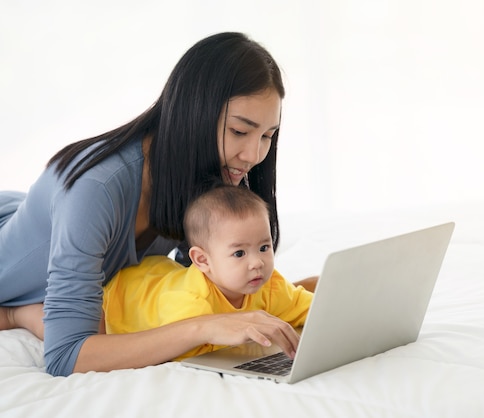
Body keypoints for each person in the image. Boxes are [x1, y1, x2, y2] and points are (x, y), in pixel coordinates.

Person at [0, 32, 316, 377]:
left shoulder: (199, 177)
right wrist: (207, 327)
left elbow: (199, 288)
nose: (254, 155)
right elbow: (67, 358)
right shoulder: (96, 191)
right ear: (192, 116)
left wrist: (314, 295)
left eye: (267, 136)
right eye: (240, 132)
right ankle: (21, 313)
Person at [103, 183, 313, 360]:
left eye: (264, 248)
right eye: (239, 253)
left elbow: (307, 306)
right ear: (203, 260)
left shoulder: (269, 285)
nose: (257, 262)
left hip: (160, 270)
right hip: (121, 293)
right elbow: (187, 356)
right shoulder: (191, 305)